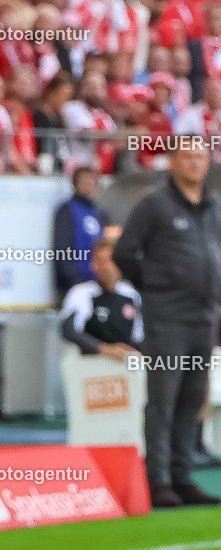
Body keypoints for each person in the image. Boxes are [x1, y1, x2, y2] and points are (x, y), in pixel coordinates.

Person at [114, 140, 221, 507]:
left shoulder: (214, 208)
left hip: (203, 317)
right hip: (167, 319)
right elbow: (124, 252)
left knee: (192, 398)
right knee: (163, 399)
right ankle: (157, 480)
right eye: (187, 156)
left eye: (201, 156)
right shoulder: (154, 205)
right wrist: (154, 284)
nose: (194, 163)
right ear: (172, 162)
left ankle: (183, 476)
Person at [59, 238, 142, 360]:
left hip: (123, 363)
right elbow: (69, 331)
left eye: (114, 261)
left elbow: (138, 337)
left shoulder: (131, 295)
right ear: (94, 265)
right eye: (105, 262)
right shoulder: (81, 293)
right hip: (90, 362)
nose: (111, 267)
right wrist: (104, 349)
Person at [52, 166, 108, 302]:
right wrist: (73, 279)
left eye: (92, 180)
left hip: (97, 284)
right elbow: (62, 247)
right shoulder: (67, 210)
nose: (89, 184)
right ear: (75, 184)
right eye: (84, 180)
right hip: (74, 285)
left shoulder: (99, 214)